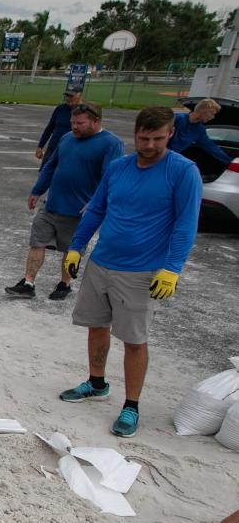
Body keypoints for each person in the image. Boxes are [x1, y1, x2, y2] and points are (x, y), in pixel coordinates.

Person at [58, 106, 202, 438]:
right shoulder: (119, 167)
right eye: (143, 138)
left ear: (170, 136)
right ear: (134, 134)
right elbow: (97, 208)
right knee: (96, 325)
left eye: (158, 139)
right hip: (102, 262)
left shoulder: (182, 172)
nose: (149, 145)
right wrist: (78, 246)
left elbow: (185, 224)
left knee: (135, 340)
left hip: (142, 271)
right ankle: (96, 383)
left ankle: (131, 405)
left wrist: (172, 268)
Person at [6, 102, 124, 301]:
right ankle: (28, 283)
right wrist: (37, 190)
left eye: (80, 123)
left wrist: (95, 203)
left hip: (80, 211)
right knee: (37, 242)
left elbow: (110, 178)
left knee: (71, 249)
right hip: (52, 205)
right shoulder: (67, 138)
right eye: (73, 122)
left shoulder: (111, 143)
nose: (74, 127)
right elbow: (51, 166)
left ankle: (64, 284)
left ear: (96, 122)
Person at [169, 98, 231, 170]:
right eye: (212, 113)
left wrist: (230, 161)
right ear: (203, 110)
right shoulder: (178, 118)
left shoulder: (199, 130)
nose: (213, 117)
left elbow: (212, 148)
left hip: (170, 158)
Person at [36, 87, 82, 162]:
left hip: (72, 149)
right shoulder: (60, 109)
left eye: (71, 96)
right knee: (44, 171)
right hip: (53, 147)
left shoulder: (85, 111)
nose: (67, 98)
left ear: (79, 95)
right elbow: (50, 128)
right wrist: (40, 146)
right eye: (66, 95)